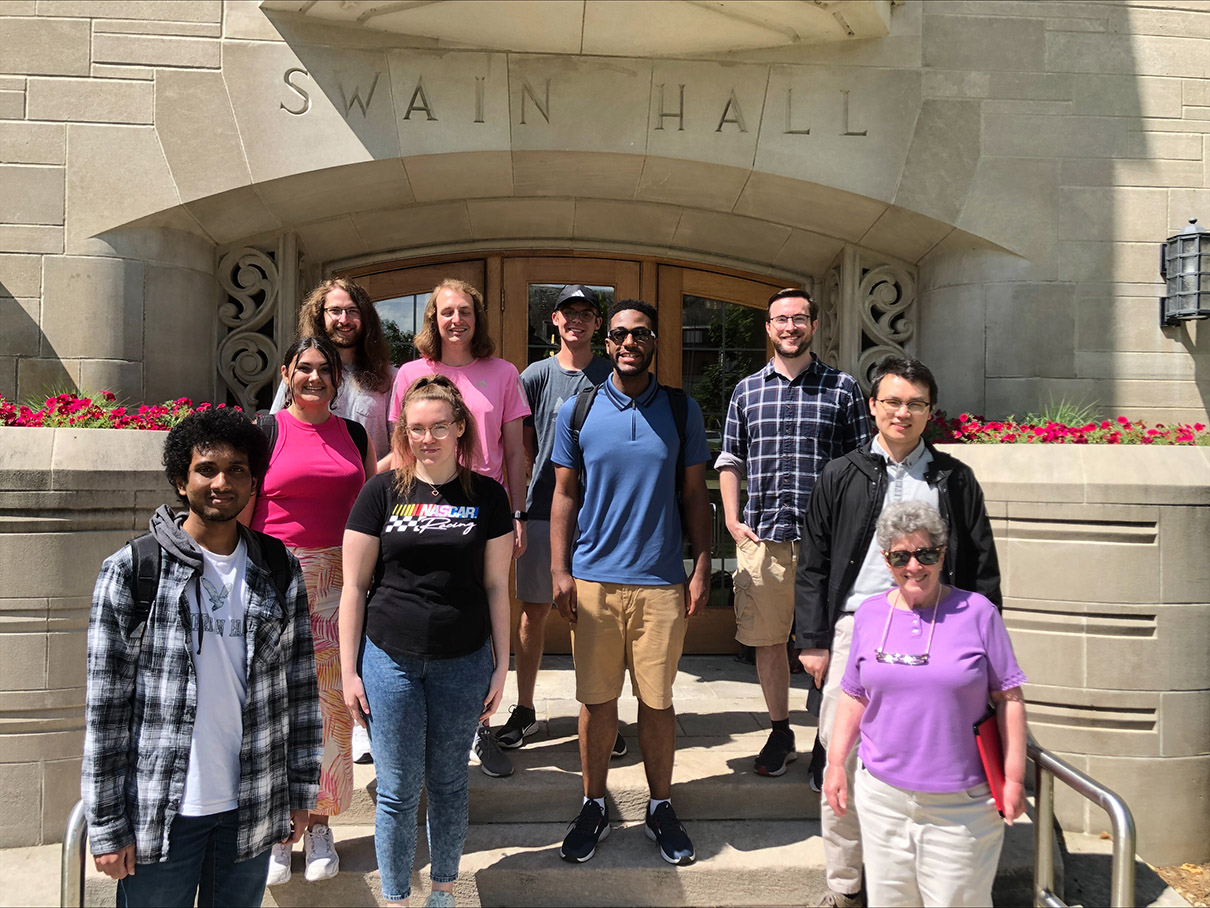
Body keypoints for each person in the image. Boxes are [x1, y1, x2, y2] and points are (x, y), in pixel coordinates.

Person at [82, 408, 321, 908]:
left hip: (251, 806)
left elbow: (301, 692)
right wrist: (105, 823)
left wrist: (300, 795)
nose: (221, 482)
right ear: (179, 478)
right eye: (206, 468)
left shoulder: (278, 568)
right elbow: (105, 709)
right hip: (161, 811)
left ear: (254, 480)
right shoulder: (133, 570)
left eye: (237, 469)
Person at [796, 357, 1002, 908]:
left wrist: (984, 647)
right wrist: (812, 640)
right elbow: (813, 561)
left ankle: (920, 871)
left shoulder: (954, 478)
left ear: (930, 411)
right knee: (841, 754)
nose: (902, 412)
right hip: (854, 629)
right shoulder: (842, 474)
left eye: (914, 402)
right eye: (892, 401)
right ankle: (844, 884)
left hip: (939, 627)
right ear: (872, 406)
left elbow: (982, 567)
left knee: (931, 754)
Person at [340, 375, 513, 908]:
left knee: (448, 785)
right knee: (395, 791)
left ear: (461, 428)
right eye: (417, 428)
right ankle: (395, 898)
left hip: (462, 661)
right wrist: (349, 671)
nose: (428, 438)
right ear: (403, 433)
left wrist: (500, 665)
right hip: (390, 658)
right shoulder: (380, 492)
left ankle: (442, 892)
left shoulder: (487, 495)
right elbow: (353, 586)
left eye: (440, 426)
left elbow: (495, 588)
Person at [550, 299, 712, 866]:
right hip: (594, 579)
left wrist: (702, 564)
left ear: (654, 342)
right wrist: (559, 569)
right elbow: (564, 494)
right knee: (596, 703)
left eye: (639, 333)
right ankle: (593, 804)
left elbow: (696, 494)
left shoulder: (680, 408)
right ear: (608, 341)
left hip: (661, 580)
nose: (627, 342)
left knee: (657, 701)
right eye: (618, 333)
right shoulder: (576, 410)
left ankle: (660, 806)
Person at [824, 501, 1027, 907]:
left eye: (925, 554)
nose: (914, 566)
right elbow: (853, 693)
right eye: (901, 556)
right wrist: (834, 764)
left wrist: (1015, 778)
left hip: (962, 804)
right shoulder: (869, 614)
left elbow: (1009, 697)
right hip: (883, 798)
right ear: (887, 560)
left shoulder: (978, 613)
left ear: (942, 554)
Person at [715, 287, 869, 778]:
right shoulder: (746, 390)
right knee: (767, 641)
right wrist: (731, 519)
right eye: (780, 319)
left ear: (813, 326)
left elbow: (865, 465)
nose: (789, 327)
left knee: (833, 643)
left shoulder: (842, 389)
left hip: (826, 545)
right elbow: (730, 459)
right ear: (768, 327)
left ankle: (828, 739)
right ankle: (780, 732)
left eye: (799, 318)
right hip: (763, 541)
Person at [387, 278, 530, 778]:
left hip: (485, 509)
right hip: (422, 508)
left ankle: (480, 724)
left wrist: (516, 513)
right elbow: (402, 448)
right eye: (446, 312)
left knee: (485, 606)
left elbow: (514, 452)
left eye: (465, 311)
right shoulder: (410, 373)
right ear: (433, 318)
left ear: (477, 318)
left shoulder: (503, 373)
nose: (456, 320)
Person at [248, 335, 376, 885]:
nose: (315, 378)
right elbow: (244, 509)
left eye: (325, 370)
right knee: (275, 705)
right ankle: (279, 831)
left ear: (337, 378)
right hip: (276, 580)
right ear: (286, 374)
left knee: (333, 708)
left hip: (341, 584)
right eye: (305, 369)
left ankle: (321, 823)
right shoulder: (266, 431)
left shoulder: (354, 434)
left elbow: (373, 507)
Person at [495, 284, 616, 754]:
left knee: (596, 615)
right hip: (545, 506)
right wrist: (521, 506)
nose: (576, 321)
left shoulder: (611, 373)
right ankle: (525, 708)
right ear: (555, 320)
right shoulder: (535, 376)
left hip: (601, 512)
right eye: (569, 313)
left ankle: (600, 711)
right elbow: (523, 447)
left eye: (586, 313)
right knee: (535, 610)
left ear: (597, 324)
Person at [271, 276, 396, 473]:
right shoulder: (300, 373)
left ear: (366, 318)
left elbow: (402, 448)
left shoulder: (390, 378)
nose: (344, 320)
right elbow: (275, 432)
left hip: (365, 492)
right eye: (335, 311)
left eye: (353, 311)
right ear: (320, 316)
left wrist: (366, 481)